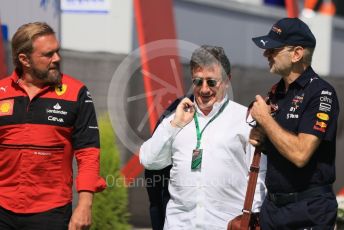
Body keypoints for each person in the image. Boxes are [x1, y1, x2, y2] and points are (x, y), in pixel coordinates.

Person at [140, 45, 266, 229]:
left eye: (211, 82)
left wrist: (252, 219)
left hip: (225, 225)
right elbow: (149, 160)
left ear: (227, 80)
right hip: (179, 225)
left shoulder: (245, 120)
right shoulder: (177, 117)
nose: (204, 89)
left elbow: (259, 175)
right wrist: (174, 125)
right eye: (198, 82)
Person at [0, 22, 106, 230]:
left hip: (51, 212)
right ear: (24, 59)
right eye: (48, 54)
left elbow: (88, 153)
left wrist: (85, 205)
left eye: (57, 51)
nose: (57, 59)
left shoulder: (77, 93)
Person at [250, 17, 339, 229]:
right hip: (273, 209)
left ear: (297, 54)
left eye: (273, 49)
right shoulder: (276, 92)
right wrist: (262, 140)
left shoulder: (321, 93)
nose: (266, 54)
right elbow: (279, 144)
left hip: (308, 211)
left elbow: (300, 154)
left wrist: (265, 120)